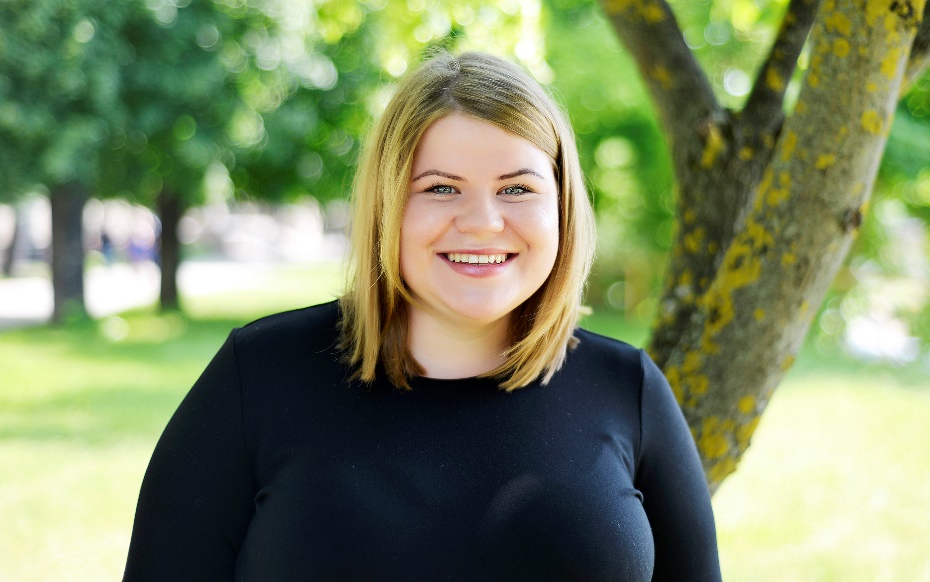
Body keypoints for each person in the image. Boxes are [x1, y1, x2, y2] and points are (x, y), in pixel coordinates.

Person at [124, 51, 721, 581]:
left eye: (517, 189)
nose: (483, 222)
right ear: (386, 206)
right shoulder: (258, 376)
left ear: (562, 208)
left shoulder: (628, 390)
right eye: (440, 188)